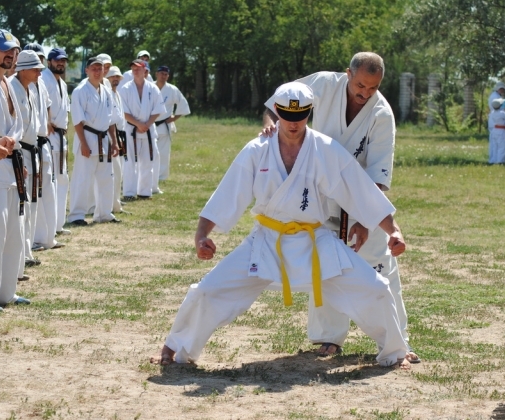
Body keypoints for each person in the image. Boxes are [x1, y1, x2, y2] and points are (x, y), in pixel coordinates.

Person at [150, 82, 413, 369]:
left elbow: (360, 190)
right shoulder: (257, 149)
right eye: (287, 115)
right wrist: (202, 235)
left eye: (300, 116)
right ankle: (175, 347)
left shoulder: (325, 150)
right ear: (277, 111)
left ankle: (395, 351)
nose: (293, 123)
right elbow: (228, 193)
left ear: (310, 113)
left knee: (375, 288)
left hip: (315, 241)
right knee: (208, 290)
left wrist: (393, 230)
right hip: (267, 240)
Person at [262, 52, 418, 362]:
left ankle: (397, 341)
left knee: (381, 267)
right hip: (319, 194)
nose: (365, 93)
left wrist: (365, 220)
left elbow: (378, 177)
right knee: (323, 263)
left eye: (373, 88)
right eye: (360, 85)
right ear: (348, 74)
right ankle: (328, 337)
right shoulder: (323, 84)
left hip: (362, 198)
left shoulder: (381, 114)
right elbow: (275, 103)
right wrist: (271, 125)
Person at [0, 29, 31, 312]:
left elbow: (17, 129)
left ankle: (6, 292)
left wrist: (19, 161)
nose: (11, 55)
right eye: (5, 50)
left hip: (11, 165)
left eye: (14, 51)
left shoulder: (6, 82)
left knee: (13, 232)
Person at [66, 56, 120, 225]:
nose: (97, 72)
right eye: (94, 69)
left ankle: (104, 213)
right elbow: (77, 120)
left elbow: (111, 120)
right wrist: (83, 143)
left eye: (100, 69)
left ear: (104, 71)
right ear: (87, 70)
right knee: (82, 179)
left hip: (104, 139)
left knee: (106, 178)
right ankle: (76, 215)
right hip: (87, 138)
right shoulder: (80, 91)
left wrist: (114, 142)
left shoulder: (106, 91)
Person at [23, 43, 63, 252]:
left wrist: (47, 124)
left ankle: (48, 237)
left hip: (43, 143)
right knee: (31, 195)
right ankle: (33, 240)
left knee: (47, 190)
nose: (37, 63)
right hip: (28, 145)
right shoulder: (20, 83)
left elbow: (47, 106)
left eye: (40, 58)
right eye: (34, 58)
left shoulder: (41, 83)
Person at [10, 50, 44, 273]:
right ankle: (18, 258)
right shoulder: (12, 87)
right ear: (23, 69)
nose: (39, 73)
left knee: (31, 205)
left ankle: (26, 252)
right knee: (20, 207)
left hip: (32, 151)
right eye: (35, 69)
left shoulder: (29, 89)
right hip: (18, 153)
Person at [119, 59, 165, 200]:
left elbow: (158, 108)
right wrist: (138, 124)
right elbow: (123, 111)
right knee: (129, 162)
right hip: (131, 129)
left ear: (145, 70)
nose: (135, 70)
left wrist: (147, 124)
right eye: (133, 68)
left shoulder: (153, 88)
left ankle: (144, 191)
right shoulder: (125, 88)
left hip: (148, 129)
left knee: (147, 161)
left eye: (138, 68)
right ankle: (129, 192)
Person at [41, 48, 71, 236]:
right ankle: (48, 228)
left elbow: (65, 108)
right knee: (50, 182)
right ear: (49, 61)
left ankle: (58, 224)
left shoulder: (62, 83)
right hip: (49, 135)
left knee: (62, 179)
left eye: (63, 61)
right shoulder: (44, 78)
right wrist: (46, 121)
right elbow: (40, 102)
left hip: (61, 136)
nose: (60, 63)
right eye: (57, 60)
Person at [154, 65, 190, 185]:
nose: (163, 76)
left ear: (168, 76)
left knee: (163, 152)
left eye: (166, 74)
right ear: (156, 74)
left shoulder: (172, 89)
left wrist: (175, 118)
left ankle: (161, 176)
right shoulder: (149, 87)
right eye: (161, 73)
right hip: (149, 124)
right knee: (148, 152)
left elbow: (183, 103)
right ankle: (149, 174)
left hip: (164, 124)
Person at [106, 65, 129, 214]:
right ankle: (111, 205)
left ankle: (116, 203)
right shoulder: (107, 94)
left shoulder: (117, 94)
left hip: (120, 135)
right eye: (112, 76)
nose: (115, 79)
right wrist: (114, 141)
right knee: (113, 172)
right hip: (110, 135)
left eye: (117, 77)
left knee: (119, 172)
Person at [488, 98, 505, 164]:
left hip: (494, 130)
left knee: (495, 146)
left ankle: (493, 160)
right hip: (501, 130)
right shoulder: (502, 113)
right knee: (501, 146)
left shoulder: (492, 113)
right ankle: (500, 160)